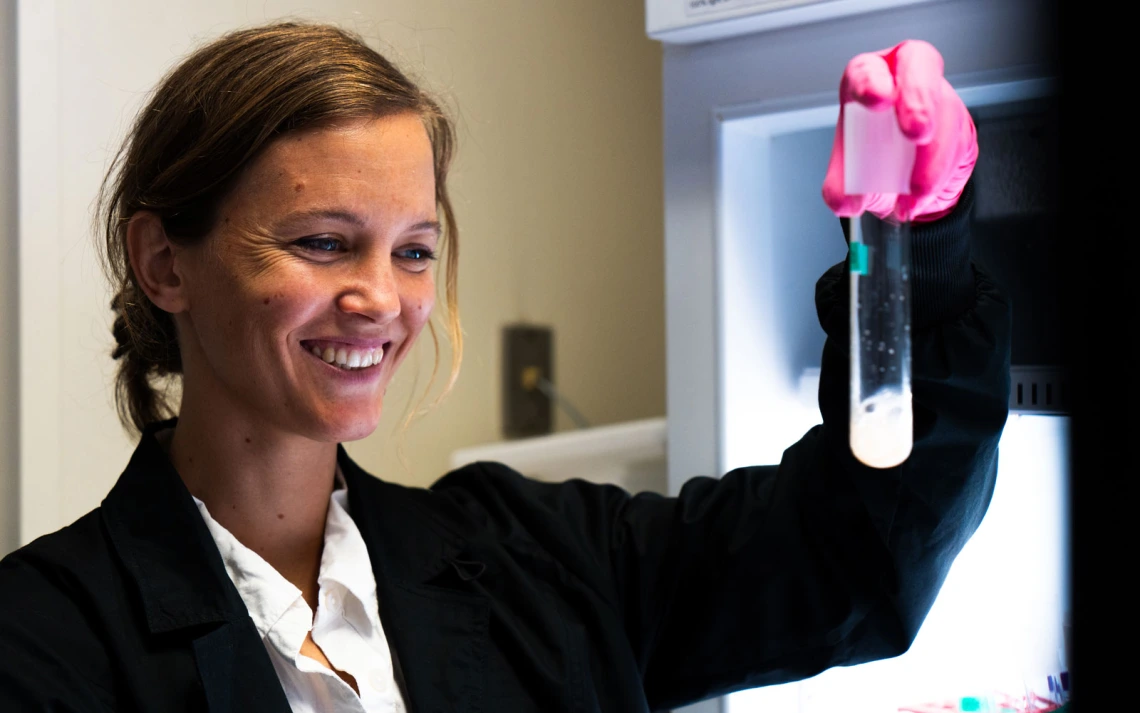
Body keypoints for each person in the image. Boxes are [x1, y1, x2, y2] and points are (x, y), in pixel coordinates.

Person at [0, 22, 1008, 713]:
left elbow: (852, 557)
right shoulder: (43, 642)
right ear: (165, 261)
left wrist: (923, 248)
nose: (381, 299)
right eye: (320, 242)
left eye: (414, 249)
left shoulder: (535, 561)